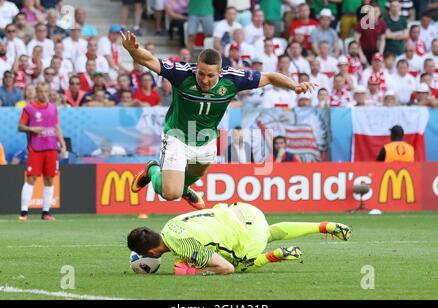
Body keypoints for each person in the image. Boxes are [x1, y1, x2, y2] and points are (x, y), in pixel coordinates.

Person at [121, 30, 317, 209]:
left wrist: (295, 86)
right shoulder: (181, 74)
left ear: (220, 73)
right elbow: (149, 61)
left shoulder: (233, 79)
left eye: (210, 76)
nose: (205, 80)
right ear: (196, 67)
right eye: (201, 74)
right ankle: (152, 169)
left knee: (196, 173)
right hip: (177, 136)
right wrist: (133, 50)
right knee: (170, 193)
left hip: (206, 139)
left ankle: (186, 189)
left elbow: (271, 77)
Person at [127, 202, 351, 275]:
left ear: (153, 253)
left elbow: (225, 268)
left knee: (237, 265)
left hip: (249, 239)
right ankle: (325, 226)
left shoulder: (182, 246)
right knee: (270, 231)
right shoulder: (170, 224)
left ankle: (275, 256)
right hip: (246, 210)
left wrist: (194, 271)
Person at [18, 82, 67, 221]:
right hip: (36, 148)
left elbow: (57, 127)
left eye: (46, 91)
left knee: (50, 179)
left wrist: (63, 144)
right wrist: (32, 129)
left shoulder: (53, 108)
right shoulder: (29, 108)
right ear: (37, 92)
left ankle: (46, 212)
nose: (43, 94)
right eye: (41, 91)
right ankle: (24, 212)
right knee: (31, 178)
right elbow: (20, 126)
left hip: (51, 148)